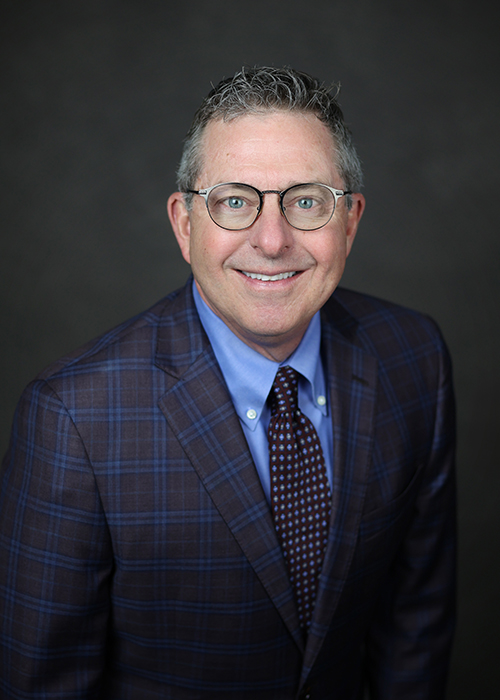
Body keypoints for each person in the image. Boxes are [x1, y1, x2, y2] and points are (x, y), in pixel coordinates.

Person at [0, 66, 456, 699]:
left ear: (349, 221)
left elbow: (415, 629)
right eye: (235, 201)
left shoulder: (415, 357)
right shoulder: (74, 417)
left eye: (307, 201)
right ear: (186, 224)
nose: (271, 240)